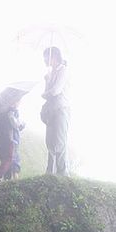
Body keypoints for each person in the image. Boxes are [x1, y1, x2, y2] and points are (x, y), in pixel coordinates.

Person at [40, 46, 70, 176]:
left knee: (59, 141)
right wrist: (46, 81)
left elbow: (56, 91)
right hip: (51, 110)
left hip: (61, 109)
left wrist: (45, 94)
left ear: (54, 57)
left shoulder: (63, 70)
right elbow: (49, 92)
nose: (44, 60)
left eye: (46, 57)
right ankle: (51, 172)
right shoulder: (51, 73)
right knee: (50, 141)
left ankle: (62, 173)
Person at [0, 88, 26, 184]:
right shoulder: (10, 112)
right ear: (14, 102)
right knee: (9, 158)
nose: (19, 103)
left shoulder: (1, 112)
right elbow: (15, 124)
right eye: (19, 101)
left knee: (5, 159)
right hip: (8, 139)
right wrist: (21, 125)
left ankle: (6, 180)